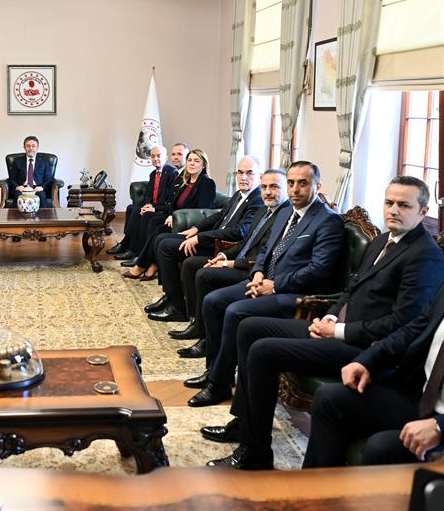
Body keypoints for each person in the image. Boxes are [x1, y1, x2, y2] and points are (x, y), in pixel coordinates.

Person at [204, 176, 444, 470]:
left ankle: (255, 452)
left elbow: (402, 323)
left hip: (362, 345)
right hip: (337, 327)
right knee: (250, 327)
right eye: (389, 202)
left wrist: (338, 330)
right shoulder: (384, 239)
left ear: (423, 211)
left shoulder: (425, 256)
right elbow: (352, 288)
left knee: (263, 351)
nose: (393, 210)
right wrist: (330, 315)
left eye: (404, 205)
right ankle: (244, 424)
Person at [185, 161, 344, 407]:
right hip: (264, 282)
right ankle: (215, 372)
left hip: (295, 294)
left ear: (318, 186)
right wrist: (258, 272)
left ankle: (218, 383)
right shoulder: (286, 213)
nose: (295, 189)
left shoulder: (328, 220)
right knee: (213, 301)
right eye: (291, 183)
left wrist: (275, 285)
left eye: (303, 183)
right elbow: (266, 249)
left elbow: (318, 271)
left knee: (235, 311)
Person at [303, 280, 444, 468]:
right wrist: (367, 360)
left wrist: (439, 426)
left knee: (380, 447)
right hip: (422, 398)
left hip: (440, 418)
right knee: (329, 398)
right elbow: (413, 329)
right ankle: (317, 486)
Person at [168, 170, 290, 355]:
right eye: (264, 187)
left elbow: (265, 256)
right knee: (192, 264)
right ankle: (196, 323)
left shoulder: (284, 216)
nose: (267, 192)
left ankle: (206, 338)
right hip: (238, 259)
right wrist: (224, 256)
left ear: (286, 188)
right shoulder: (264, 210)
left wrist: (229, 263)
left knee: (205, 274)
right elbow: (244, 243)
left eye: (274, 187)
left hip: (251, 269)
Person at [143, 156, 263, 322]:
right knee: (161, 238)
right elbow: (219, 216)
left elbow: (239, 232)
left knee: (166, 247)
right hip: (212, 238)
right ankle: (170, 296)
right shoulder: (239, 194)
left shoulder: (258, 199)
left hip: (222, 247)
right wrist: (196, 228)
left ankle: (177, 306)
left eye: (249, 173)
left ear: (259, 176)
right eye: (240, 172)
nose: (243, 177)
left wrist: (199, 238)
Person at [121, 148, 216, 278]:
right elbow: (174, 203)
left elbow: (201, 212)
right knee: (154, 223)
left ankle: (142, 265)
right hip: (176, 218)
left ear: (203, 165)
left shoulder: (207, 183)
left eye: (196, 161)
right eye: (189, 160)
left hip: (188, 224)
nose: (192, 163)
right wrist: (171, 214)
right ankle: (151, 263)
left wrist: (176, 216)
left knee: (159, 230)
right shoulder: (186, 181)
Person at [108, 146, 177, 260]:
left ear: (165, 158)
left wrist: (153, 208)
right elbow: (149, 194)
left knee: (137, 212)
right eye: (153, 156)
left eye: (158, 156)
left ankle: (132, 249)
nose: (155, 158)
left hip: (162, 207)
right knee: (131, 208)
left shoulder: (172, 173)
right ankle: (126, 242)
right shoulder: (153, 174)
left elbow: (169, 197)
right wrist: (148, 204)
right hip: (153, 205)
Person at [8, 136, 55, 209]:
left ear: (37, 148)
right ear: (24, 148)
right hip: (22, 188)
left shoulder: (44, 162)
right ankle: (14, 216)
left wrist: (42, 187)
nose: (31, 148)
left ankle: (45, 216)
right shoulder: (17, 161)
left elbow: (49, 179)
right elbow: (12, 179)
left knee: (41, 196)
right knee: (17, 196)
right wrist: (17, 186)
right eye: (28, 146)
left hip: (37, 188)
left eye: (33, 146)